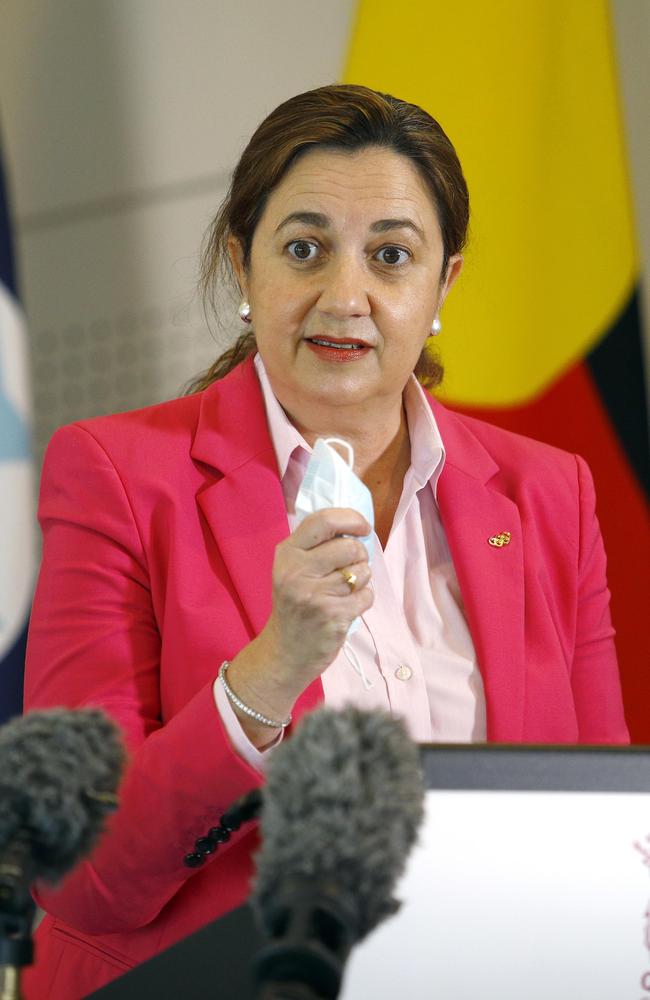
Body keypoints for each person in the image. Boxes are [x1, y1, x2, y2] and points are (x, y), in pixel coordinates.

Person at [22, 84, 629, 999]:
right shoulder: (114, 475)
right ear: (245, 266)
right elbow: (79, 871)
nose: (345, 295)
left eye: (391, 256)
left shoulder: (549, 492)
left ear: (442, 286)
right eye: (304, 250)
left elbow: (607, 833)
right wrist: (272, 668)